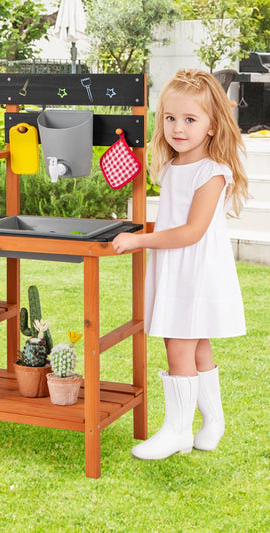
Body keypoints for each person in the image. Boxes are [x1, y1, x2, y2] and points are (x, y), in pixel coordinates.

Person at [112, 68, 248, 460]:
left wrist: (139, 240)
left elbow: (191, 232)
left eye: (190, 119)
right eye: (170, 118)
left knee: (178, 345)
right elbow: (174, 221)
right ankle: (213, 421)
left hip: (195, 271)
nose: (178, 128)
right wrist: (140, 230)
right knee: (197, 344)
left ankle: (177, 431)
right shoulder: (175, 166)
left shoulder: (211, 172)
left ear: (212, 125)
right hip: (178, 266)